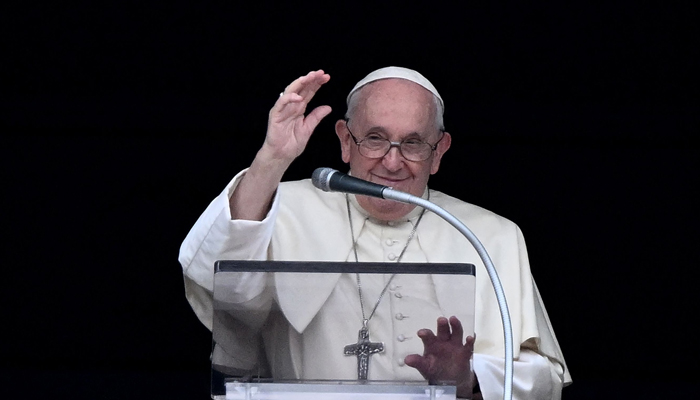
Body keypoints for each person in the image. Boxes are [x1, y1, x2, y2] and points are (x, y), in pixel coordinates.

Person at [179, 67, 572, 399]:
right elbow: (219, 287)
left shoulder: (491, 235)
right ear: (345, 141)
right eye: (375, 139)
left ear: (439, 152)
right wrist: (271, 160)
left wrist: (469, 378)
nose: (392, 161)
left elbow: (545, 377)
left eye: (414, 143)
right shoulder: (280, 208)